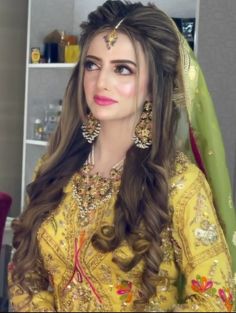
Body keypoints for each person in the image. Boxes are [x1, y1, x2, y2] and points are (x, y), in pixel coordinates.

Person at [8, 0, 236, 312]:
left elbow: (217, 299)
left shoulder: (179, 183)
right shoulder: (52, 168)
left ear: (153, 85)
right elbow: (25, 272)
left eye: (123, 69)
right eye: (92, 64)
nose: (101, 82)